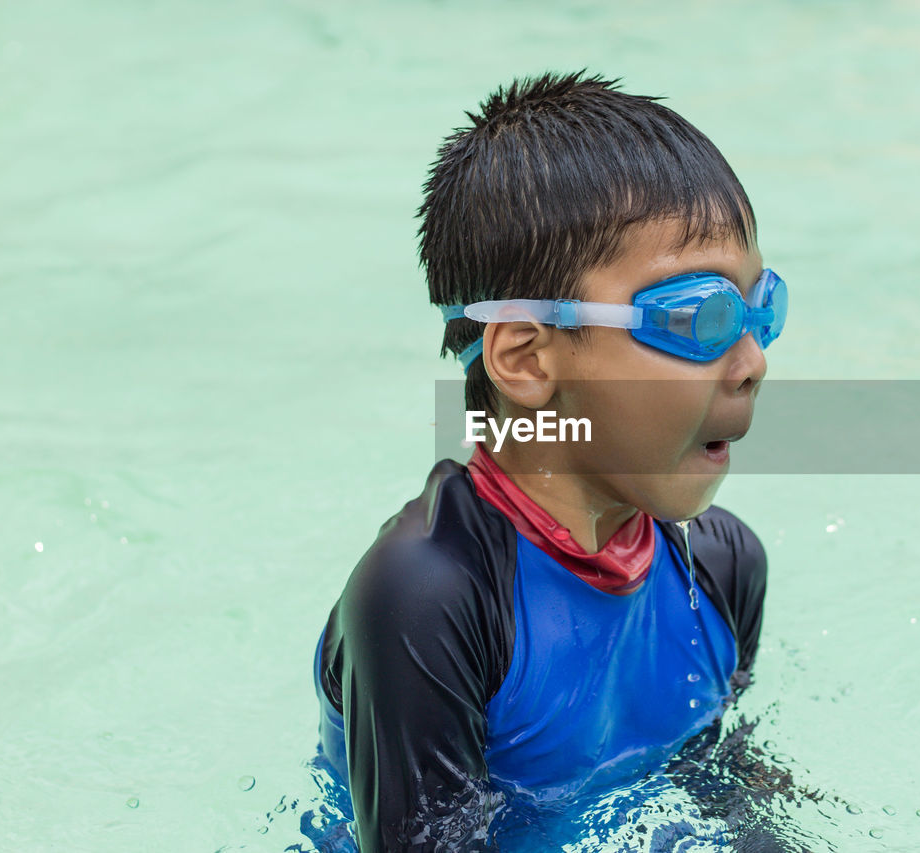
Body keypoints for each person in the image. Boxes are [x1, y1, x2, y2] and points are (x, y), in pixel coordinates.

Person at [312, 71, 786, 852]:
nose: (750, 361)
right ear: (527, 358)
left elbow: (729, 801)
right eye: (695, 314)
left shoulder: (723, 569)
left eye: (759, 310)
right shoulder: (430, 598)